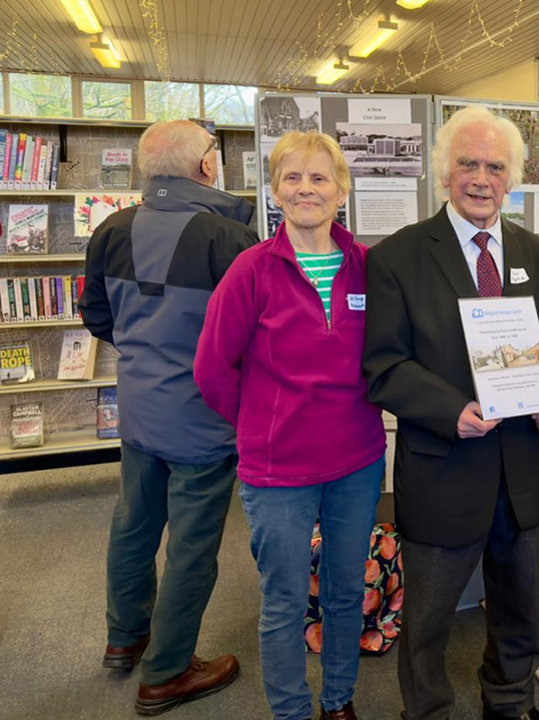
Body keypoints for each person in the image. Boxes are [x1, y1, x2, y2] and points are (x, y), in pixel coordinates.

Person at [362, 105, 539, 720]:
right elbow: (385, 366)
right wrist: (454, 411)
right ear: (444, 174)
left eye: (495, 167)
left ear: (512, 178)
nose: (481, 178)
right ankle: (426, 713)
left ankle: (510, 703)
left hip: (520, 466)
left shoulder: (534, 249)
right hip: (444, 463)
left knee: (520, 608)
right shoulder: (396, 257)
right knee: (427, 621)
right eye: (468, 164)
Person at [194, 132, 385, 720]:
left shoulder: (367, 267)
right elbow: (211, 369)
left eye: (320, 178)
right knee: (282, 601)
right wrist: (260, 422)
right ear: (275, 190)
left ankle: (337, 702)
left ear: (341, 190)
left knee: (347, 591)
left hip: (356, 459)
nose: (307, 189)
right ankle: (291, 711)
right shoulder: (252, 270)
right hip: (278, 471)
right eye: (294, 178)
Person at [79, 119, 258, 715]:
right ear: (207, 167)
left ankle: (125, 637)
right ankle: (168, 671)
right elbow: (251, 337)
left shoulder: (109, 230)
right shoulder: (226, 238)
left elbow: (96, 317)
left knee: (132, 525)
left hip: (139, 413)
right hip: (204, 422)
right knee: (191, 545)